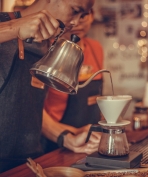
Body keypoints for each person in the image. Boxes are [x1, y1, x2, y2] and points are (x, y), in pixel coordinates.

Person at [0, 0, 98, 173]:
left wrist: (66, 138)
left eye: (82, 15)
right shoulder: (5, 23)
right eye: (74, 11)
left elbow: (28, 107)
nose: (75, 22)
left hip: (29, 163)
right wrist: (14, 28)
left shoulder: (47, 42)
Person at [42, 9, 103, 153]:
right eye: (73, 12)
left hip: (89, 141)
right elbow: (33, 113)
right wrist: (71, 134)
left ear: (92, 16)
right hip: (55, 141)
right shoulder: (47, 51)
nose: (78, 22)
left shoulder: (96, 48)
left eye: (84, 15)